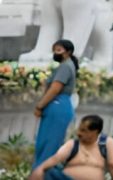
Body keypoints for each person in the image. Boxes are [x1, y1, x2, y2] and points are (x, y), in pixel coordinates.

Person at [29, 114, 113, 180]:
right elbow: (56, 158)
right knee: (48, 173)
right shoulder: (72, 144)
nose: (79, 133)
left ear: (95, 132)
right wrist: (40, 169)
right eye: (79, 129)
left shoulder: (106, 143)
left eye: (83, 130)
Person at [32, 39, 78, 168]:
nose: (55, 53)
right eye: (54, 50)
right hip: (59, 105)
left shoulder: (65, 66)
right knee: (46, 145)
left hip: (58, 105)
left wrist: (39, 106)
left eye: (59, 50)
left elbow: (55, 88)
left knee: (49, 146)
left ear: (68, 52)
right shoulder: (66, 65)